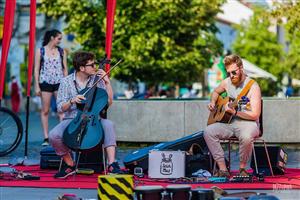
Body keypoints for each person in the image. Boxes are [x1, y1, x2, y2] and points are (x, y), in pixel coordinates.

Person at [49, 51, 123, 179]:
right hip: (73, 118)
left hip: (94, 119)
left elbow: (109, 102)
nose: (95, 67)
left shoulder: (97, 80)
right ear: (82, 68)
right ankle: (70, 165)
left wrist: (107, 82)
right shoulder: (66, 82)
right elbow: (60, 108)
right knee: (53, 135)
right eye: (92, 65)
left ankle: (112, 164)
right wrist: (71, 101)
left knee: (109, 125)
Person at [204, 54, 261, 177]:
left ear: (241, 68)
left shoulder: (253, 86)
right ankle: (223, 169)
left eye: (234, 72)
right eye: (228, 72)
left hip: (249, 123)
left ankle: (242, 169)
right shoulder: (227, 82)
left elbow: (255, 114)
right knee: (208, 132)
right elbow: (215, 92)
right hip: (229, 123)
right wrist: (213, 102)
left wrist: (235, 112)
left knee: (246, 136)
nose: (231, 76)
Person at [34, 29, 68, 146]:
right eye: (59, 38)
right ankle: (46, 137)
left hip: (59, 83)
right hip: (45, 83)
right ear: (52, 38)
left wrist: (67, 84)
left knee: (61, 109)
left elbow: (65, 69)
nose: (60, 41)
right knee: (45, 110)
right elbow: (36, 69)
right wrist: (36, 86)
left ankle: (63, 135)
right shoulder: (41, 51)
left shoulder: (62, 51)